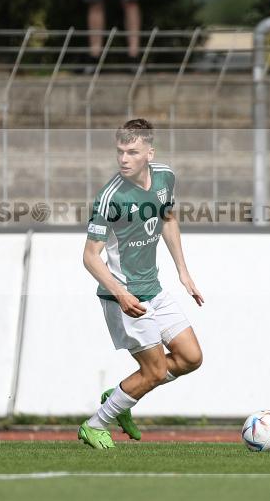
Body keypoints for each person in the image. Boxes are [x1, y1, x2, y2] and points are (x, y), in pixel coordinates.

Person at [78, 118, 205, 449]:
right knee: (154, 371)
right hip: (124, 296)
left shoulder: (165, 177)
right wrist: (121, 294)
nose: (124, 159)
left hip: (154, 289)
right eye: (120, 152)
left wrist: (183, 272)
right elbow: (90, 257)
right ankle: (95, 424)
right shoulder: (110, 197)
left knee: (191, 357)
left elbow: (167, 218)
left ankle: (121, 396)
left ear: (150, 153)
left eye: (132, 152)